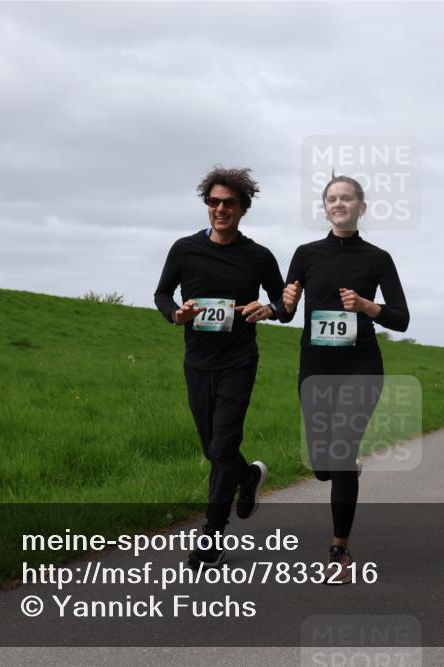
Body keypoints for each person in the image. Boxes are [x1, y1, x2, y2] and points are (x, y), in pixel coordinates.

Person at [154, 166, 287, 567]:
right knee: (213, 448)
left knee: (222, 445)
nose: (220, 209)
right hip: (197, 361)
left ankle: (211, 537)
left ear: (243, 208)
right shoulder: (184, 249)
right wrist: (176, 314)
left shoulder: (258, 257)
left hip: (238, 361)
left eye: (229, 203)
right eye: (213, 202)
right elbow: (161, 294)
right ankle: (246, 477)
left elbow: (283, 303)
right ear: (206, 206)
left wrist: (267, 308)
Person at [281, 174, 409, 584]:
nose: (339, 204)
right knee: (324, 465)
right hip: (316, 367)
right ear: (325, 208)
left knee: (339, 455)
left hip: (361, 366)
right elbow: (286, 312)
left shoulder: (377, 258)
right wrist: (283, 303)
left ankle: (339, 549)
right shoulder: (305, 254)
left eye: (347, 199)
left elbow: (401, 318)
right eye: (332, 199)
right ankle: (342, 470)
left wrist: (367, 305)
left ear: (362, 207)